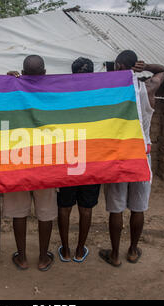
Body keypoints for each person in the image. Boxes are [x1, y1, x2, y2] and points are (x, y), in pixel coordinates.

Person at [99, 50, 164, 267]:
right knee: (138, 208)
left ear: (118, 66)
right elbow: (162, 70)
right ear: (136, 66)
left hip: (118, 156)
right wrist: (145, 67)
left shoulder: (111, 93)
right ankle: (133, 250)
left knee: (116, 208)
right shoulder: (148, 89)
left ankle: (115, 254)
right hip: (141, 156)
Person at [4, 55, 57, 272]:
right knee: (46, 210)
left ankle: (23, 258)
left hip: (19, 160)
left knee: (19, 211)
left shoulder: (13, 90)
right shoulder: (53, 92)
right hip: (46, 161)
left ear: (23, 73)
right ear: (44, 73)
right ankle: (43, 258)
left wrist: (8, 81)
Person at [56, 57, 100, 263]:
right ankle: (80, 250)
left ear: (72, 73)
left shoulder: (63, 94)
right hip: (92, 158)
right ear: (91, 73)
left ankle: (65, 250)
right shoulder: (99, 96)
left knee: (64, 206)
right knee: (86, 208)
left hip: (69, 158)